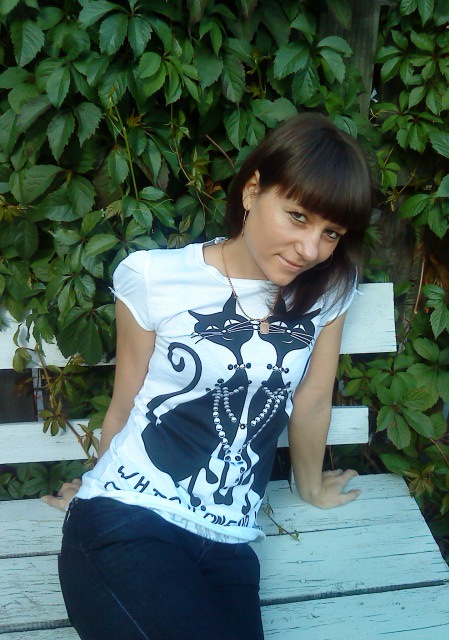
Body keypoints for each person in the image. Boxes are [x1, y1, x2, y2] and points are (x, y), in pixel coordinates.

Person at [43, 112, 372, 640]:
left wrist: (309, 485)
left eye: (330, 232)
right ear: (252, 191)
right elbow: (127, 400)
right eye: (298, 217)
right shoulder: (155, 276)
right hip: (130, 515)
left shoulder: (328, 289)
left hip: (230, 543)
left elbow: (312, 399)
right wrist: (96, 485)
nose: (312, 249)